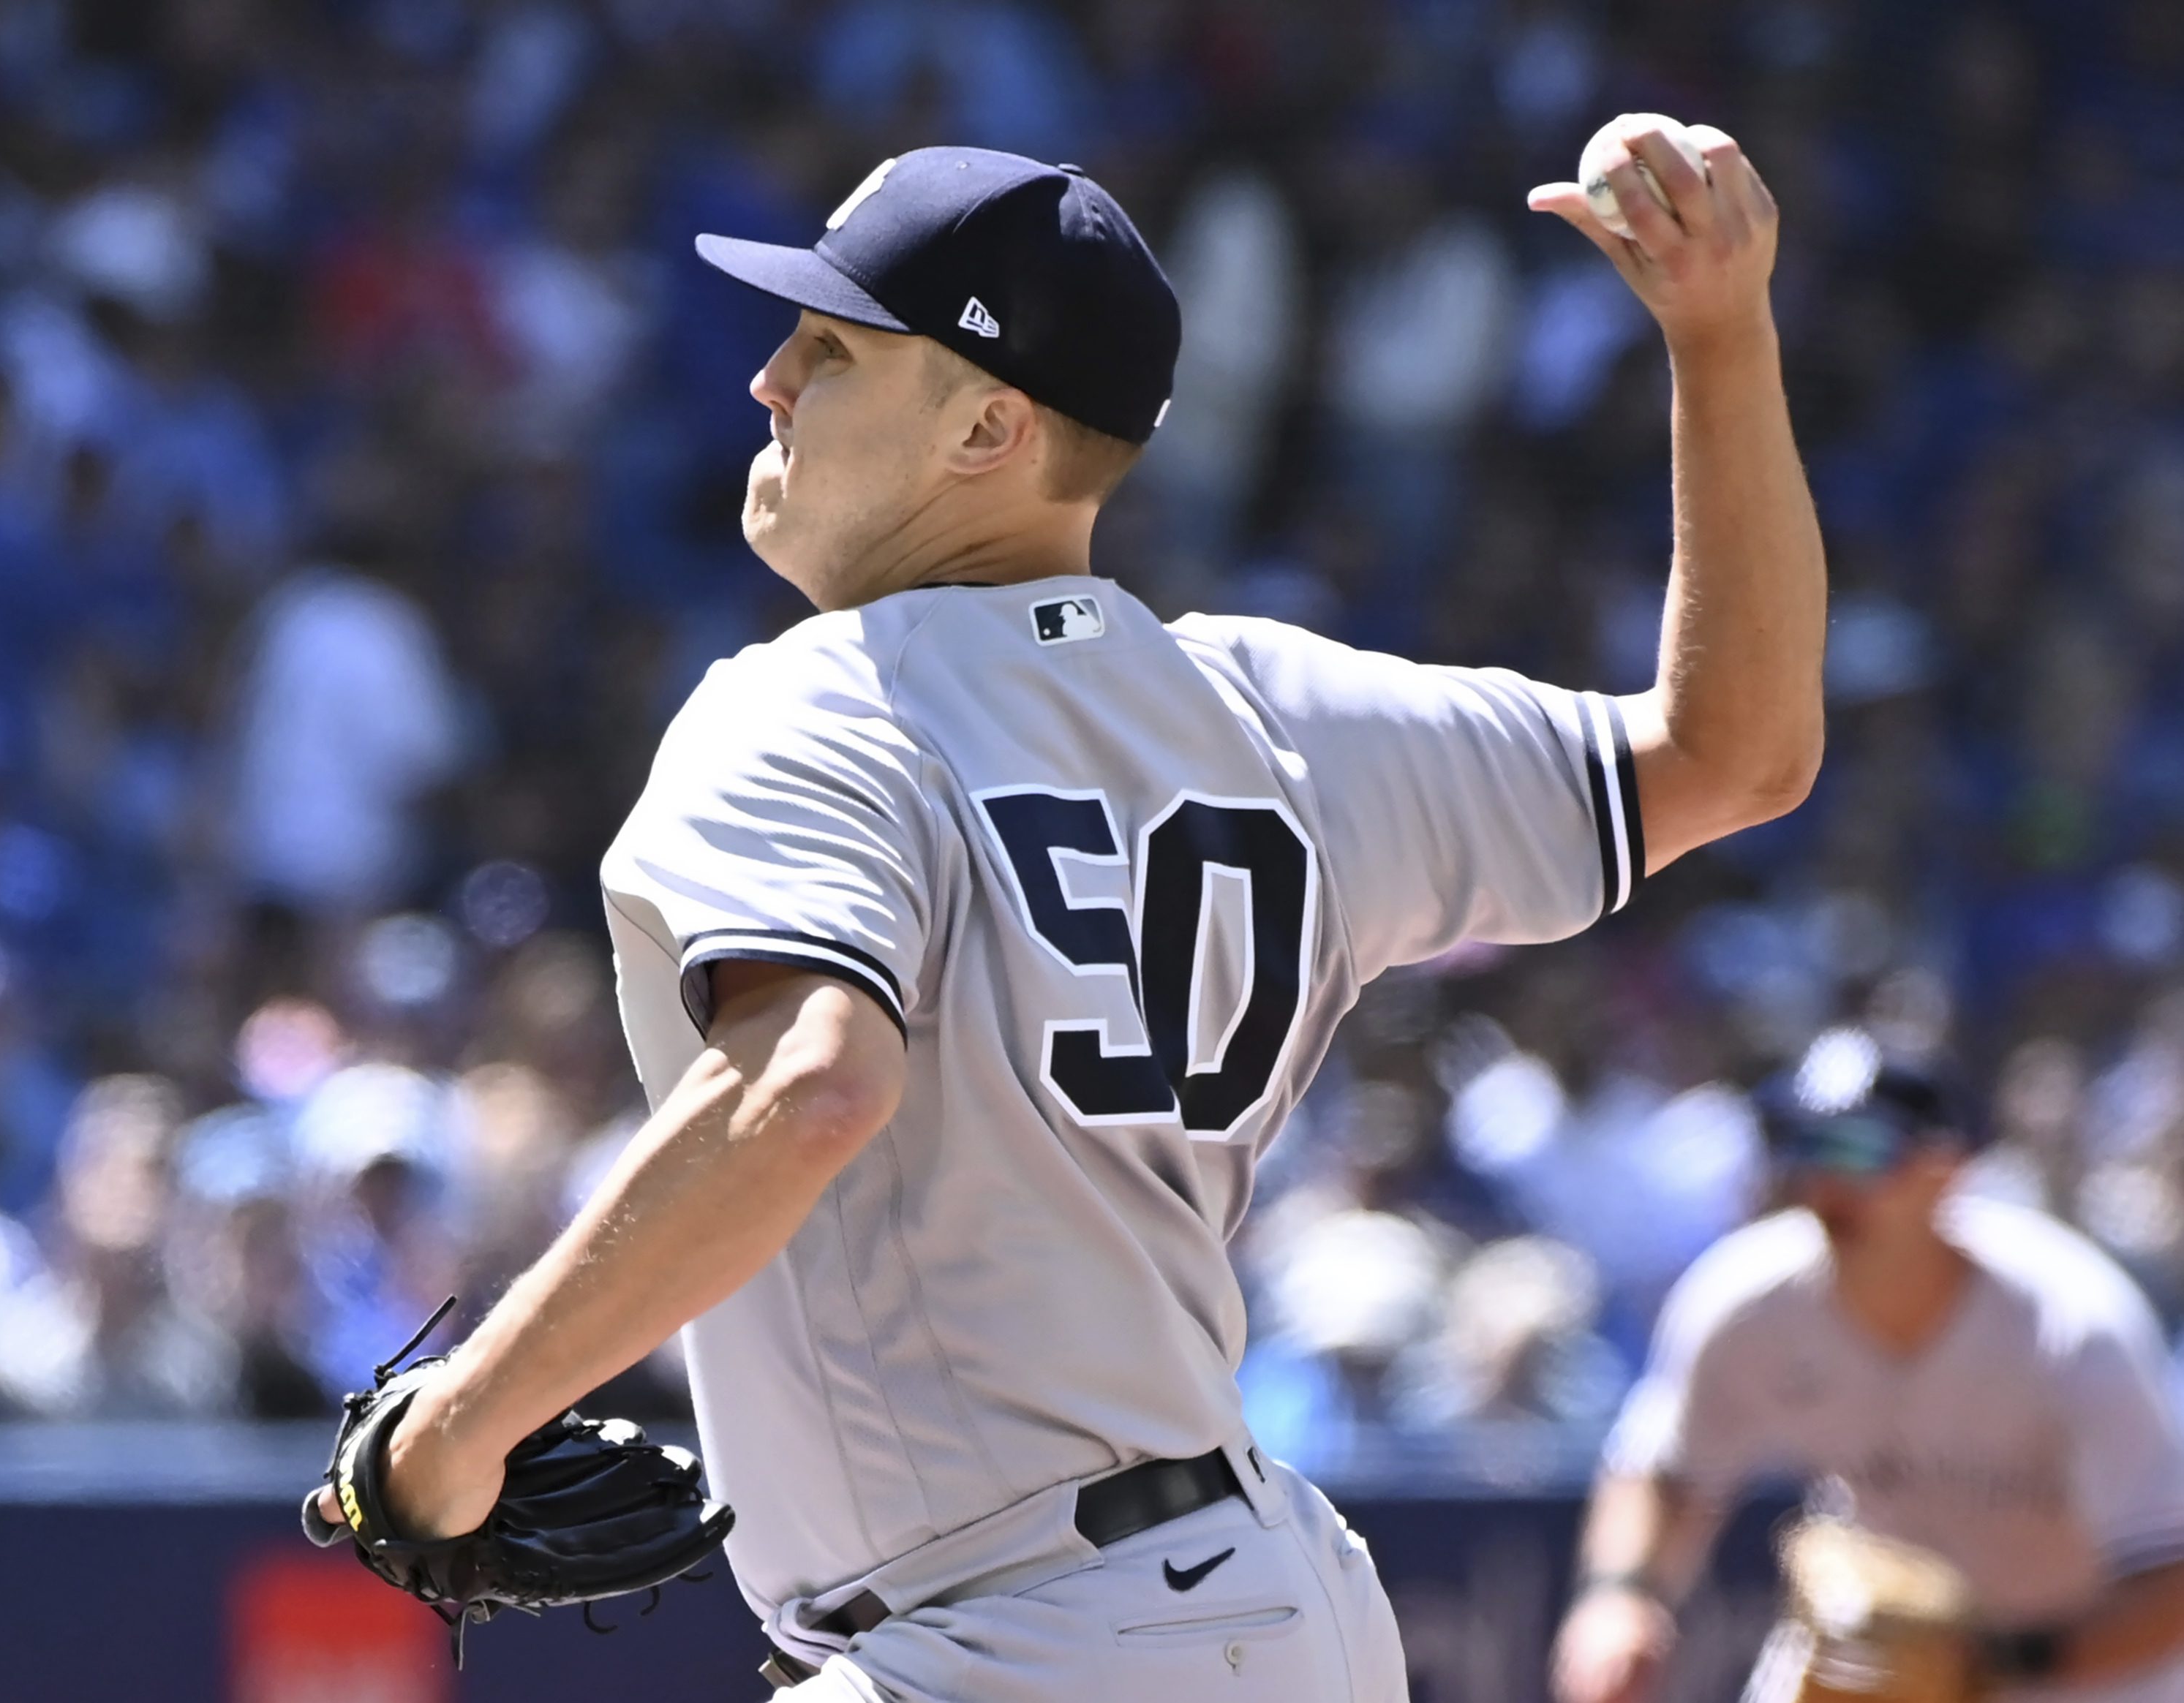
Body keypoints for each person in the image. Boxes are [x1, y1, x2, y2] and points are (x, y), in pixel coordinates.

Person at [318, 125, 1822, 1702]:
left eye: (829, 347)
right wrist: (1718, 337)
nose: (767, 378)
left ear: (985, 429)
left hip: (1011, 1632)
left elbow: (808, 1082)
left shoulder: (821, 702)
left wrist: (456, 1424)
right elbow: (1737, 752)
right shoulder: (1277, 710)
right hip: (1275, 1613)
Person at [1551, 1030, 2184, 1703]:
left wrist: (1994, 1662)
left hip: (2088, 1675)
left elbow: (2171, 1577)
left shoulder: (2072, 1326)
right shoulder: (1747, 1300)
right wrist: (1617, 1598)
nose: (1825, 1180)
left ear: (1948, 1171)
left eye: (1858, 1150)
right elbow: (1668, 1474)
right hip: (1872, 1659)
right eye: (1803, 1142)